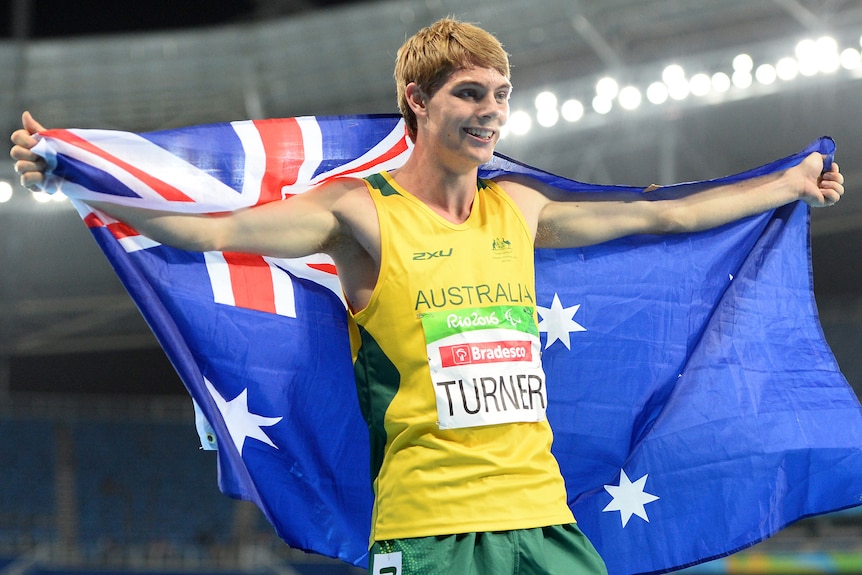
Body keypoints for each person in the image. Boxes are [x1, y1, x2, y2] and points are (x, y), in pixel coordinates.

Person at [9, 18, 845, 575]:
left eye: (501, 95)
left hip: (543, 524)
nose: (493, 113)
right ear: (417, 99)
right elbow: (209, 232)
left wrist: (789, 181)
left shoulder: (518, 208)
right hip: (428, 533)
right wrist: (74, 176)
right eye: (470, 94)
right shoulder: (361, 217)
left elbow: (669, 212)